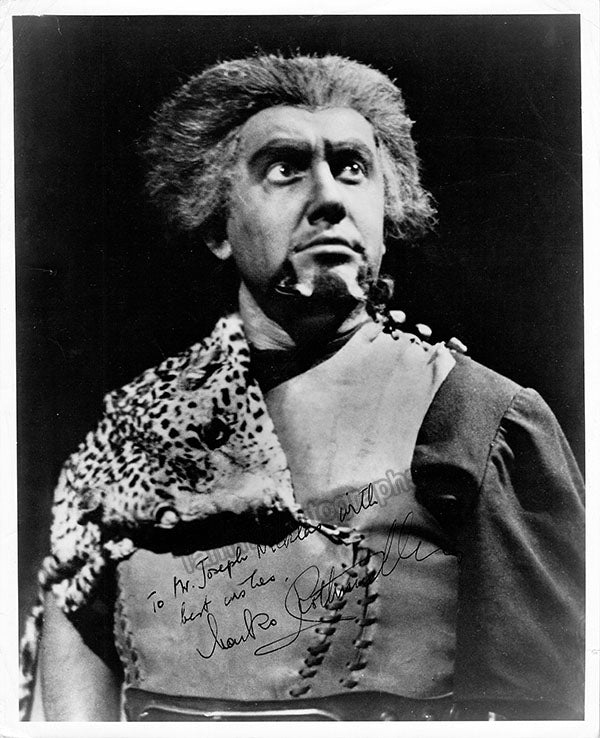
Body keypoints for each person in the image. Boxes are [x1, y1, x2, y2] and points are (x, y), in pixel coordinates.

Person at [20, 53, 584, 722]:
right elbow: (74, 651)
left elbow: (543, 709)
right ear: (215, 224)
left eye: (353, 168)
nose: (329, 198)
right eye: (286, 168)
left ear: (387, 210)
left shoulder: (480, 416)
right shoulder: (133, 432)